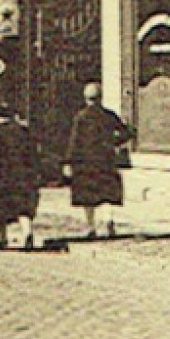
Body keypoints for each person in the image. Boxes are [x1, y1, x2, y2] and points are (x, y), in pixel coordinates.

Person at [64, 82, 133, 240]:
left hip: (86, 161)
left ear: (86, 98)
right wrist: (115, 142)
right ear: (100, 98)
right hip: (105, 159)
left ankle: (91, 227)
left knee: (88, 196)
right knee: (106, 192)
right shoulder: (108, 115)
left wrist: (69, 161)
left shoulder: (81, 117)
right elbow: (126, 132)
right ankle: (108, 219)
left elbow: (75, 141)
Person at [0, 103, 40, 250]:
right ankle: (27, 232)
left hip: (4, 177)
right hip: (24, 176)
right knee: (23, 208)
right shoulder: (24, 131)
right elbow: (34, 154)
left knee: (1, 208)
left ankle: (3, 239)